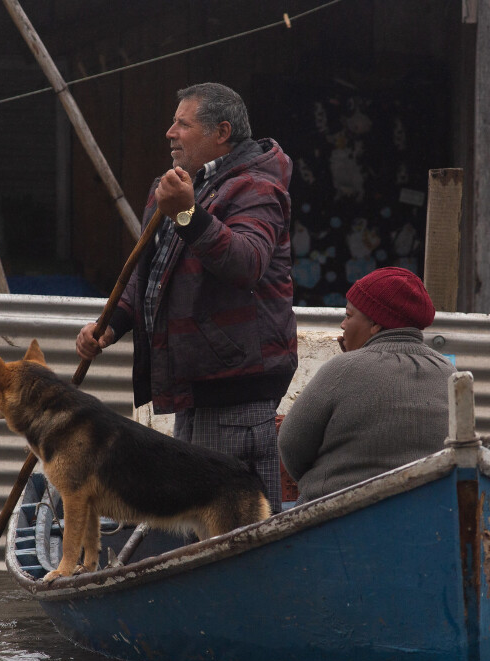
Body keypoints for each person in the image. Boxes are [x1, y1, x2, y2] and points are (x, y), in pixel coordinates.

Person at [76, 82, 296, 512]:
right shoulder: (177, 187)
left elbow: (245, 262)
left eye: (183, 123)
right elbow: (151, 276)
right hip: (194, 386)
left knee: (234, 533)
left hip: (235, 391)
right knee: (198, 524)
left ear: (221, 132)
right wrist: (110, 326)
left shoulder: (256, 188)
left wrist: (186, 214)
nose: (169, 133)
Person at [278, 267, 455, 503]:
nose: (342, 324)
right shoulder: (448, 372)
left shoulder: (342, 369)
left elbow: (290, 445)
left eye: (349, 316)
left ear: (376, 325)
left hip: (332, 518)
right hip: (422, 514)